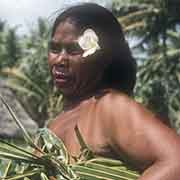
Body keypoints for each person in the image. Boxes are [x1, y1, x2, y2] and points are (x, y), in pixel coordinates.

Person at [48, 3, 180, 179]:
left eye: (74, 50)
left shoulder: (110, 107)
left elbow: (175, 162)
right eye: (55, 49)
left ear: (103, 57)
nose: (60, 60)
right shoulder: (54, 126)